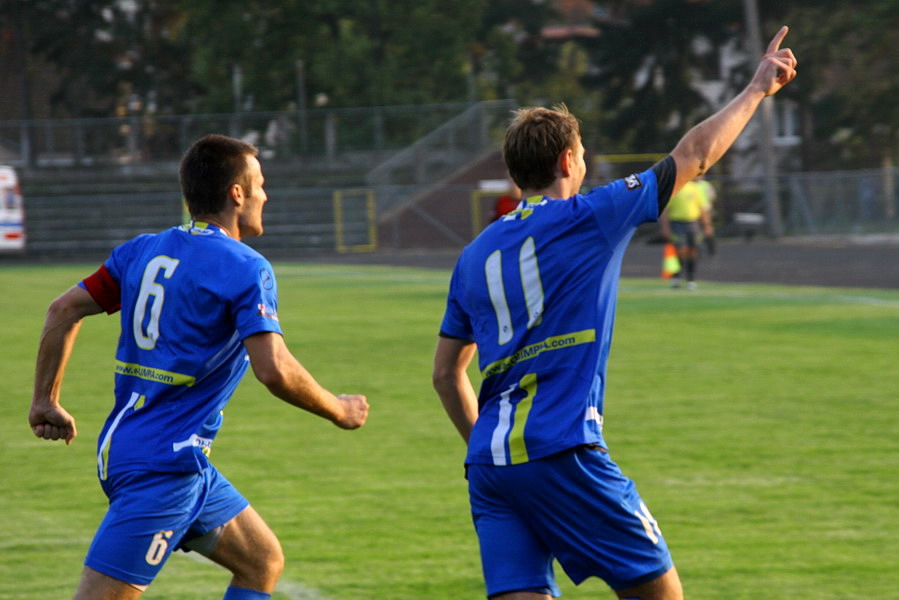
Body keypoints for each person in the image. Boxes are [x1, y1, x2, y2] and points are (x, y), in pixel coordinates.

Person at [432, 26, 796, 600]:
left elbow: (445, 373)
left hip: (491, 469)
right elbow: (694, 156)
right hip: (565, 449)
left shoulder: (473, 254)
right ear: (568, 160)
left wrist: (486, 447)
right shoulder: (590, 215)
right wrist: (756, 90)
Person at [29, 134, 370, 600]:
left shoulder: (143, 250)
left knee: (261, 560)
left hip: (154, 454)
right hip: (163, 470)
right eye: (261, 185)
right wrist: (339, 409)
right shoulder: (247, 267)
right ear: (237, 193)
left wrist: (45, 399)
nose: (266, 196)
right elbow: (274, 370)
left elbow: (62, 309)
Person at [660, 176, 716, 289]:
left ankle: (691, 279)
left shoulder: (695, 188)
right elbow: (665, 210)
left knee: (693, 251)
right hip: (676, 223)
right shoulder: (674, 189)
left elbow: (702, 208)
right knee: (678, 251)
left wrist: (707, 226)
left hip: (692, 223)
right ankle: (676, 278)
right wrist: (666, 228)